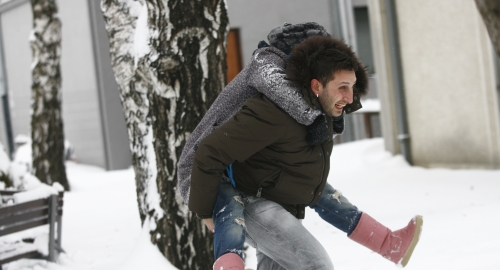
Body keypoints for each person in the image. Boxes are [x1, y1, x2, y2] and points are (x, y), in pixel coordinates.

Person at [179, 23, 422, 269]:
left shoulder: (308, 98)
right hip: (211, 172)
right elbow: (210, 153)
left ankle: (389, 243)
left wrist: (334, 108)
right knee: (311, 262)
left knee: (316, 189)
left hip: (262, 176)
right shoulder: (271, 75)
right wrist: (205, 211)